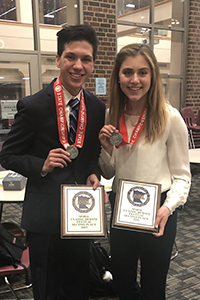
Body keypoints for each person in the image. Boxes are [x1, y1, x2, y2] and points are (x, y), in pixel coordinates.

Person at [0, 24, 106, 300]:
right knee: (47, 289)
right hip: (44, 216)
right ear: (58, 60)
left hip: (81, 214)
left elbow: (92, 154)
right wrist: (42, 165)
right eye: (71, 57)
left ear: (93, 64)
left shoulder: (96, 107)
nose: (78, 65)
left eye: (86, 59)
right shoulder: (33, 105)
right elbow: (7, 154)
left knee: (78, 286)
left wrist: (94, 173)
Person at [98, 43, 191, 300]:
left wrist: (168, 207)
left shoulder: (169, 118)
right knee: (123, 285)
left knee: (153, 287)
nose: (135, 80)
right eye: (128, 72)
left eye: (143, 72)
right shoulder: (111, 116)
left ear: (153, 76)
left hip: (158, 209)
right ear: (118, 76)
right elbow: (108, 173)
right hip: (122, 209)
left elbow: (183, 176)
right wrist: (106, 150)